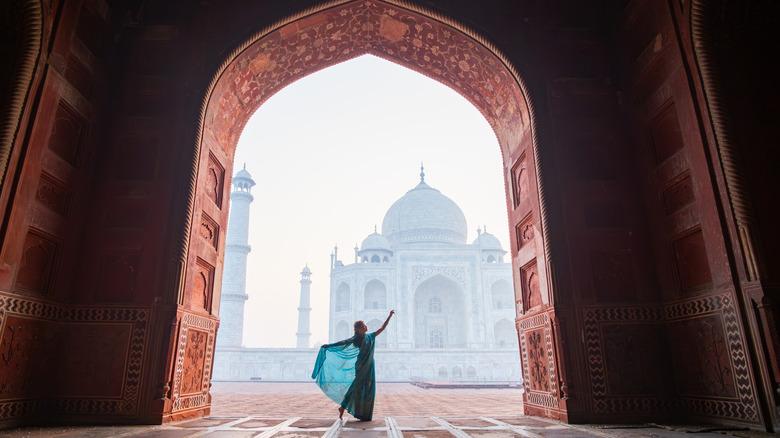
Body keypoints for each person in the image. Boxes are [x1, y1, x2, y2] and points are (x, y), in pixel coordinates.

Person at [312, 310, 395, 421]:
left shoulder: (370, 337)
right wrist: (327, 346)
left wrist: (389, 316)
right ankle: (346, 407)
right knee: (357, 387)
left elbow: (382, 328)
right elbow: (342, 343)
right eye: (364, 326)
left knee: (368, 388)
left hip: (369, 365)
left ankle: (361, 412)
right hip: (361, 366)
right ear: (359, 329)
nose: (366, 327)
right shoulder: (355, 339)